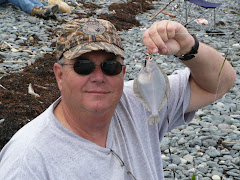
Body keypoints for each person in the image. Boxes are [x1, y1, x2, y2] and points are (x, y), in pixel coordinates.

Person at [0, 18, 236, 179]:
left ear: (122, 74)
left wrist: (187, 46)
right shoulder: (27, 162)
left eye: (110, 66)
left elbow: (219, 83)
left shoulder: (138, 100)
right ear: (60, 76)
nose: (98, 76)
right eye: (83, 66)